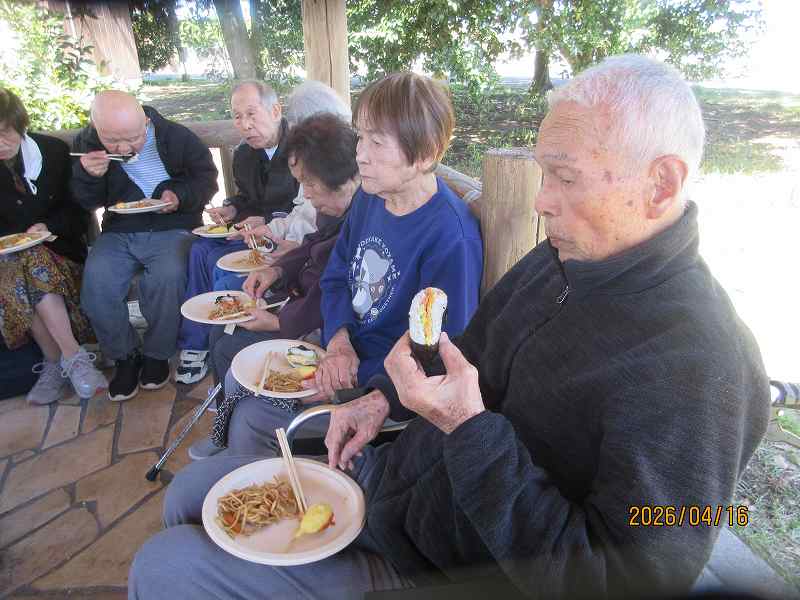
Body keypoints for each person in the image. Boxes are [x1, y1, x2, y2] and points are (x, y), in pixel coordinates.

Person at [130, 56, 771, 600]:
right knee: (189, 494)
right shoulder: (563, 259)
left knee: (163, 567)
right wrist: (380, 401)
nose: (541, 200)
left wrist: (466, 428)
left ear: (660, 183)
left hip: (435, 566)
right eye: (544, 173)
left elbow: (623, 581)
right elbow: (465, 348)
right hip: (395, 486)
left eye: (565, 177)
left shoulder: (700, 367)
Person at [202, 71, 483, 458]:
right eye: (360, 137)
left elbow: (438, 354)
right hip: (338, 347)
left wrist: (355, 374)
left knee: (252, 417)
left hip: (377, 386)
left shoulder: (450, 238)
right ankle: (238, 464)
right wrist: (338, 340)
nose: (360, 154)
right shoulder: (371, 198)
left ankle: (260, 480)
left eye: (376, 142)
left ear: (426, 153)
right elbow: (336, 277)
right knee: (240, 371)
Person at [187, 112, 360, 460]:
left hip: (319, 326)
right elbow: (312, 245)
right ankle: (226, 426)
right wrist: (277, 271)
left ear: (341, 176)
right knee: (220, 333)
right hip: (300, 302)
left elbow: (329, 287)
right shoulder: (333, 208)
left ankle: (234, 432)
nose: (305, 194)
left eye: (310, 184)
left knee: (229, 345)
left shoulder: (362, 213)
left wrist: (278, 322)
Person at [175, 81, 349, 384]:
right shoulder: (247, 155)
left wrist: (279, 320)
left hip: (311, 312)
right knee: (200, 251)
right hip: (281, 256)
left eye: (251, 114)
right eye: (237, 116)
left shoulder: (325, 177)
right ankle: (197, 349)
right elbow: (310, 239)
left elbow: (328, 275)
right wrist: (235, 210)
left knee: (227, 291)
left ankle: (233, 396)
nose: (245, 125)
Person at [72, 90, 218, 402]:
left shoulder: (176, 137)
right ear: (96, 128)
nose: (124, 148)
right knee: (97, 281)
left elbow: (206, 181)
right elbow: (86, 201)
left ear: (146, 122)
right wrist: (89, 176)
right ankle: (124, 356)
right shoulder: (87, 145)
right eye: (112, 140)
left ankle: (157, 353)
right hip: (119, 230)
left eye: (133, 139)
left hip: (173, 226)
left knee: (168, 276)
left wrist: (178, 196)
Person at [0, 88, 106, 404]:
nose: (0, 143)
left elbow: (78, 211)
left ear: (20, 125)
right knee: (18, 264)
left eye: (5, 132)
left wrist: (49, 228)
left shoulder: (52, 153)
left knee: (31, 259)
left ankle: (57, 361)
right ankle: (69, 360)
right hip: (11, 266)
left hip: (64, 257)